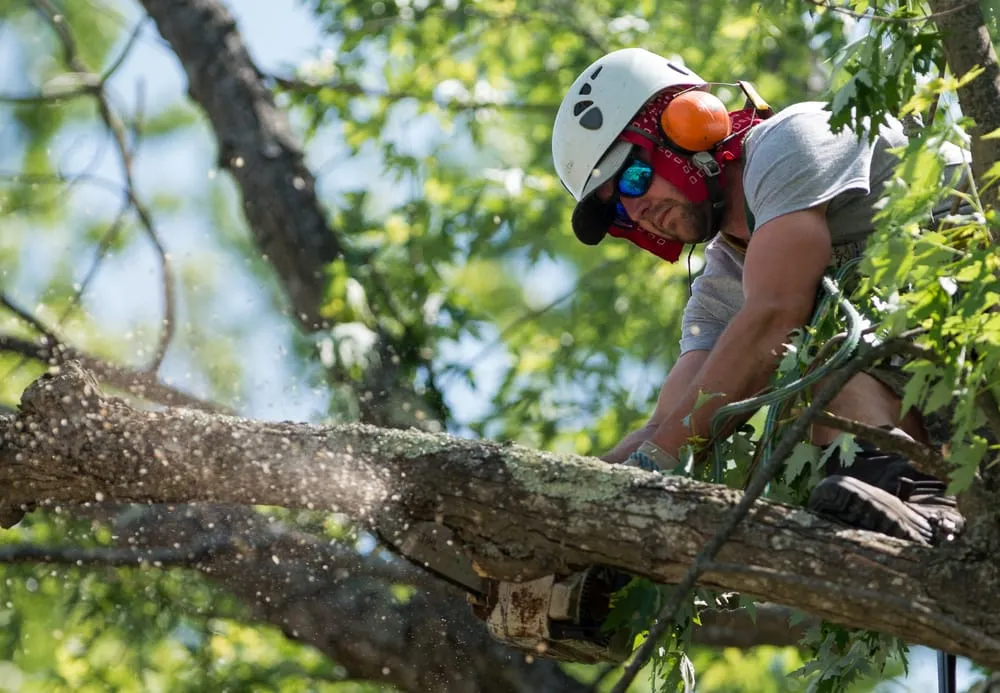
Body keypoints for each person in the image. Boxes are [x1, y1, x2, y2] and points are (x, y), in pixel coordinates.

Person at [551, 47, 965, 545]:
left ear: (687, 127)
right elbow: (669, 420)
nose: (635, 210)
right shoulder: (727, 274)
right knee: (829, 372)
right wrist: (576, 497)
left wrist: (651, 468)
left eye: (634, 178)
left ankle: (912, 492)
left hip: (980, 308)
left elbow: (774, 318)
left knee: (822, 356)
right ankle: (921, 505)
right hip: (947, 372)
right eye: (618, 209)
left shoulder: (792, 141)